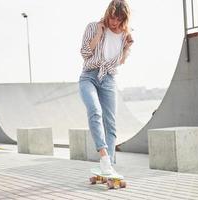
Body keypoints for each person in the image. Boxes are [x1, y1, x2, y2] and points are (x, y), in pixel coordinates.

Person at [79, 0, 133, 175]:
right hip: (89, 76)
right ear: (108, 13)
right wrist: (100, 33)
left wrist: (127, 48)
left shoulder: (124, 35)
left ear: (123, 18)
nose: (114, 22)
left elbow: (120, 62)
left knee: (111, 124)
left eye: (118, 18)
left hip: (108, 79)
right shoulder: (93, 26)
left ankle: (108, 166)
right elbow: (85, 53)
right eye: (112, 17)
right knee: (95, 111)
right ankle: (104, 158)